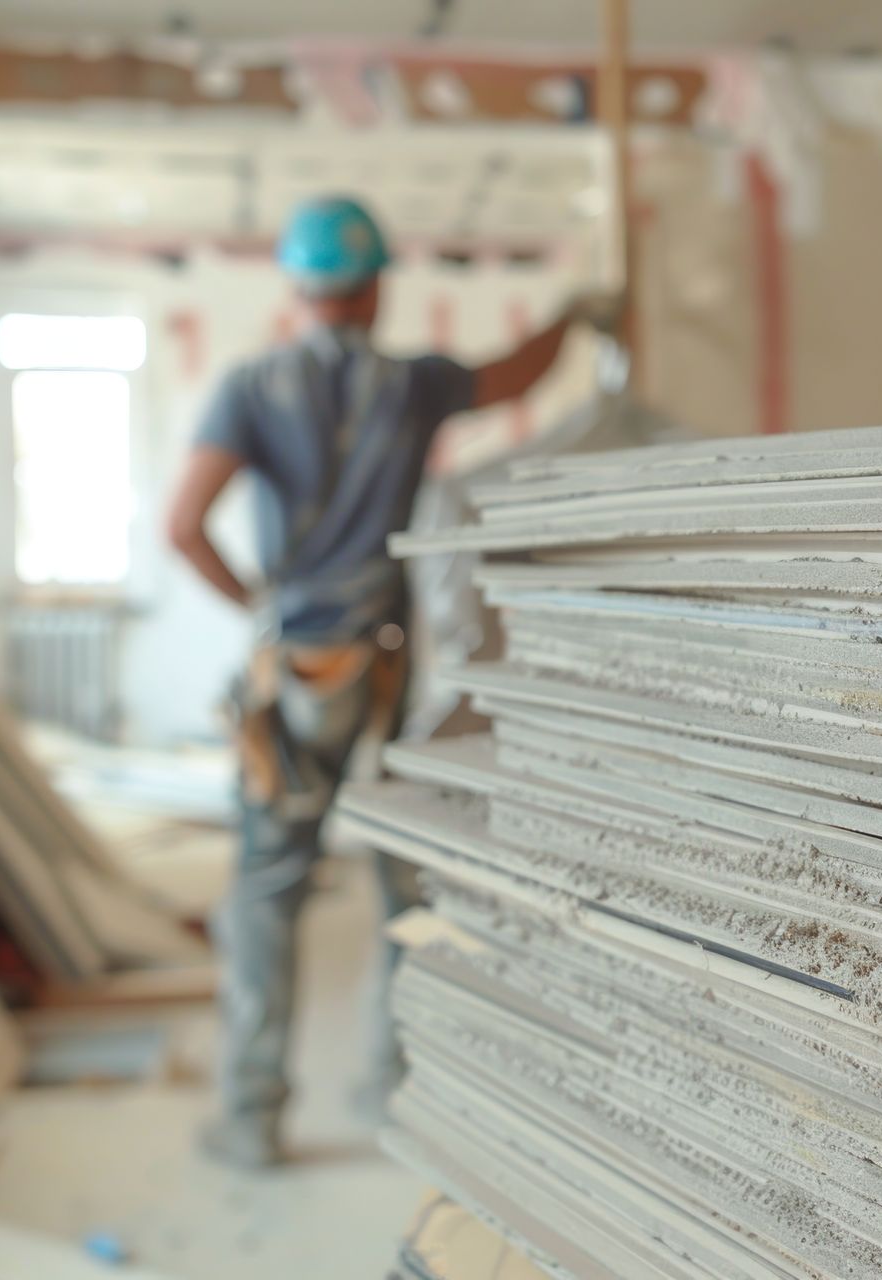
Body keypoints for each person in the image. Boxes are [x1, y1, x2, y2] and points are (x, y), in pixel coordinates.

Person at [165, 194, 615, 1170]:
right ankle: (394, 1091)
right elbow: (512, 374)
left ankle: (250, 1117)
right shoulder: (413, 385)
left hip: (291, 675)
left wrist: (256, 602)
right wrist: (577, 312)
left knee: (267, 893)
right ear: (376, 289)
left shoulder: (250, 387)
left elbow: (182, 524)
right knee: (398, 877)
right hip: (386, 667)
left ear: (298, 289)